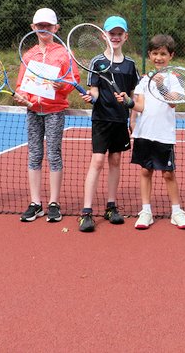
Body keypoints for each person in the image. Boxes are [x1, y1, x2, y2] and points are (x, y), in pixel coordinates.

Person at [14, 8, 80, 223]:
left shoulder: (64, 54)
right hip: (33, 111)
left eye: (48, 26)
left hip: (54, 111)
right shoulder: (29, 55)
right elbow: (21, 84)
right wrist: (22, 96)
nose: (44, 29)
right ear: (33, 28)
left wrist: (62, 85)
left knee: (54, 154)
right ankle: (35, 203)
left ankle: (53, 202)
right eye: (40, 26)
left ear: (56, 28)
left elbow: (73, 80)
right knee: (34, 155)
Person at [79, 15, 139, 232]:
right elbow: (94, 90)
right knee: (97, 162)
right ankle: (86, 212)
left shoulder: (131, 65)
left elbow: (134, 94)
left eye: (119, 34)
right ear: (103, 36)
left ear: (125, 37)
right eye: (111, 33)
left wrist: (132, 121)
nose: (115, 37)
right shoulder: (97, 62)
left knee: (115, 162)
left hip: (120, 121)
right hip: (101, 120)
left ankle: (111, 206)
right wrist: (91, 98)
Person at [129, 34, 185, 230]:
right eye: (155, 53)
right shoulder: (144, 79)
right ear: (149, 55)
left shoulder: (174, 78)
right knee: (145, 171)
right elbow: (139, 106)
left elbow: (173, 102)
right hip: (143, 133)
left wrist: (160, 84)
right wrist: (128, 105)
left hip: (164, 134)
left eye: (163, 54)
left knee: (168, 174)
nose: (159, 57)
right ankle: (146, 211)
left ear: (171, 55)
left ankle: (176, 212)